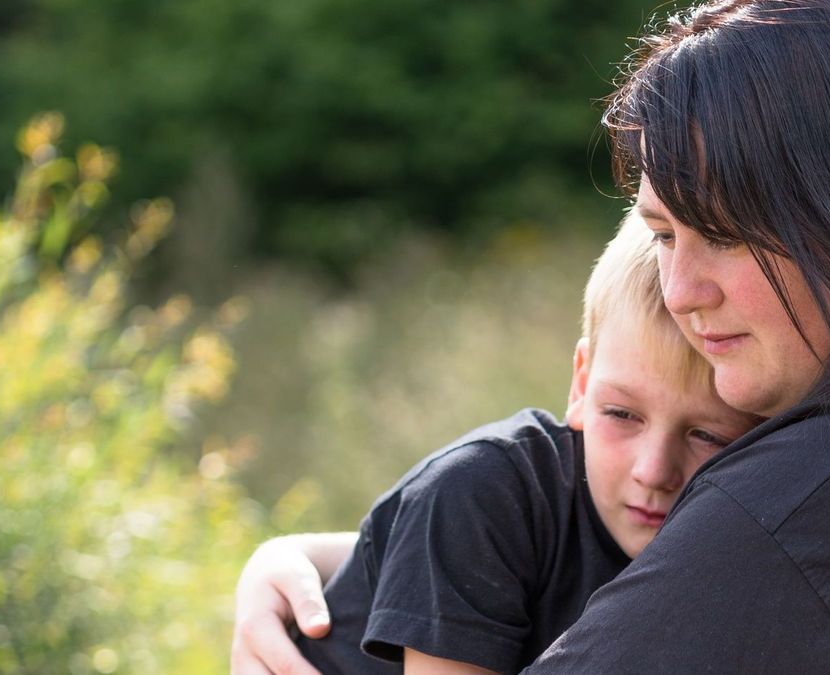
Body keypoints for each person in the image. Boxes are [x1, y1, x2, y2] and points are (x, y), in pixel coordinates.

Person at [238, 0, 830, 671]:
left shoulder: (797, 506)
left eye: (726, 233)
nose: (683, 293)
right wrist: (333, 562)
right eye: (663, 236)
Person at [233, 219, 761, 674]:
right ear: (580, 385)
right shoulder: (480, 492)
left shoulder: (738, 533)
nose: (653, 470)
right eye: (621, 414)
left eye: (707, 435)